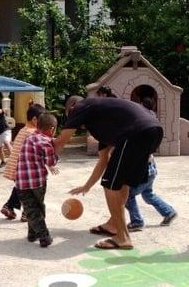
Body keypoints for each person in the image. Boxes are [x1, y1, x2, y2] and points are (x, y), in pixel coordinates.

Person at [55, 96, 163, 250]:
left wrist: (44, 154)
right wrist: (87, 186)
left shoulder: (81, 106)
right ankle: (114, 224)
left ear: (71, 108)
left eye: (69, 116)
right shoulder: (105, 123)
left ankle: (123, 237)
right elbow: (103, 160)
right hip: (153, 131)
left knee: (110, 185)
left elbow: (61, 142)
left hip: (137, 132)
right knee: (122, 181)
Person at [125, 97, 177, 231]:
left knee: (127, 195)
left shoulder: (141, 125)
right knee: (148, 194)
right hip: (152, 169)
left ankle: (137, 221)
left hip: (146, 170)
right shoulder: (150, 120)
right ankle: (169, 212)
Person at [17, 113, 59, 248]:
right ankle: (44, 236)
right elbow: (51, 161)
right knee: (38, 208)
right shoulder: (46, 142)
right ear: (52, 129)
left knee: (30, 208)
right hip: (38, 182)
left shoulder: (29, 138)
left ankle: (32, 233)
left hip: (21, 183)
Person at [0, 103, 47, 221]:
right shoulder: (33, 132)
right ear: (35, 120)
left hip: (17, 167)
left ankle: (9, 206)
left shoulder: (23, 130)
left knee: (21, 189)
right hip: (25, 169)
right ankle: (26, 212)